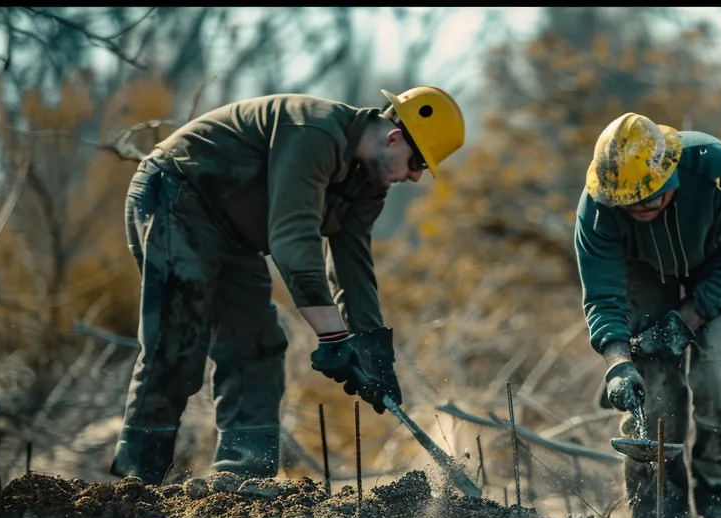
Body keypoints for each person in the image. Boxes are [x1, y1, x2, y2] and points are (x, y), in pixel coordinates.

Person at [112, 87, 465, 484]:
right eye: (417, 162)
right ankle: (135, 483)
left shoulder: (369, 184)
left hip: (234, 235)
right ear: (394, 137)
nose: (416, 176)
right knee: (178, 339)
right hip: (176, 194)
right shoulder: (314, 130)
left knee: (257, 346)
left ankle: (242, 481)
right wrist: (332, 338)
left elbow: (353, 266)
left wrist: (372, 353)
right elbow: (292, 238)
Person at [575, 112, 721, 518]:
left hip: (719, 267)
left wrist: (688, 318)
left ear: (672, 172)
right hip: (641, 272)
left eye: (652, 196)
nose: (641, 206)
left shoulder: (719, 169)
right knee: (652, 395)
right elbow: (604, 296)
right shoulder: (599, 206)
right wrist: (618, 363)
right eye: (630, 202)